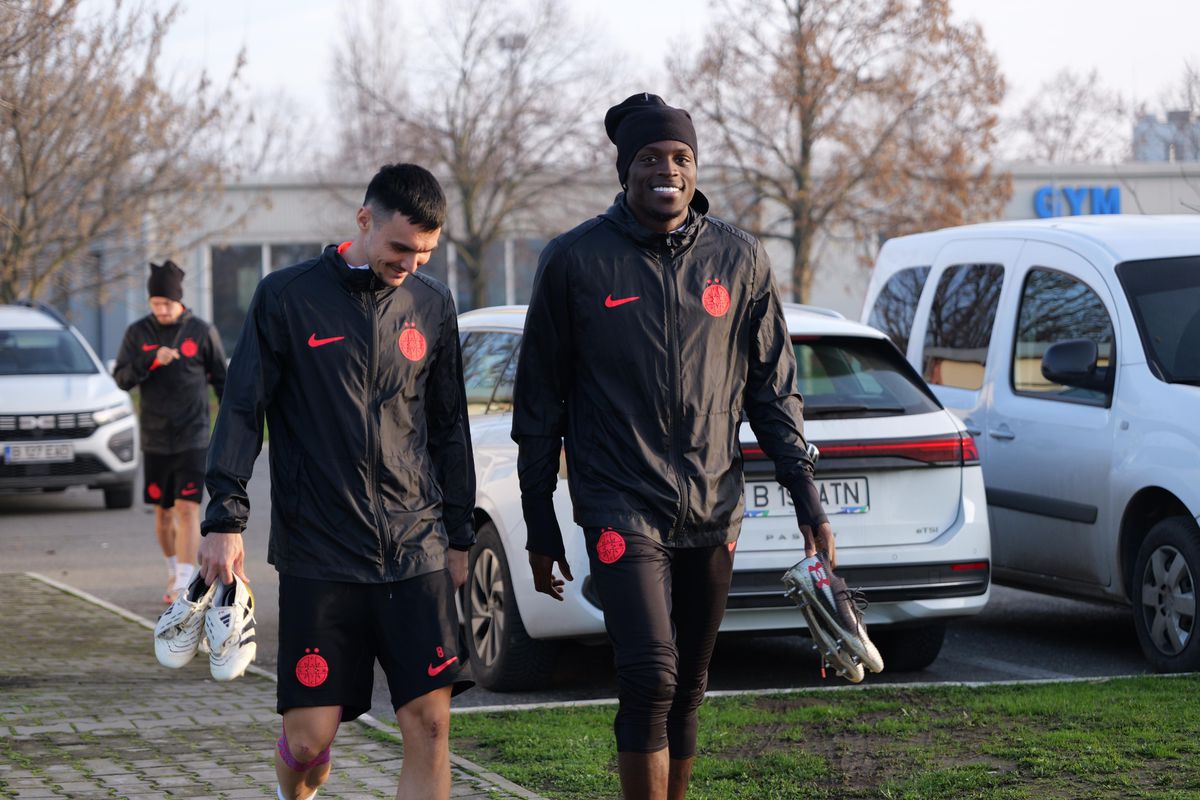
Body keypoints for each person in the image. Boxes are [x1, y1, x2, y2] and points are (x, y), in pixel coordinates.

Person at [512, 93, 836, 800]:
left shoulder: (739, 259)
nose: (668, 170)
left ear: (696, 169)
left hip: (715, 506)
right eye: (651, 158)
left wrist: (806, 497)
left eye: (681, 158)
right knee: (651, 673)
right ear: (625, 170)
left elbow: (774, 393)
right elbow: (538, 404)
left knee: (689, 680)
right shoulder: (575, 261)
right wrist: (540, 521)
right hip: (619, 503)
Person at [198, 163, 476, 800]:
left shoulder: (432, 305)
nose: (410, 262)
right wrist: (224, 518)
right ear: (363, 221)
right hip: (320, 553)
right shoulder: (286, 298)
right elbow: (243, 410)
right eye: (399, 246)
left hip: (416, 549)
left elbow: (448, 426)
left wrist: (458, 534)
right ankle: (295, 785)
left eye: (425, 251)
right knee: (307, 744)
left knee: (432, 726)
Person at [114, 260, 227, 604]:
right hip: (155, 436)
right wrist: (150, 361)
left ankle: (181, 581)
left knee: (188, 509)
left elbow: (222, 380)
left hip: (193, 435)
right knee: (164, 514)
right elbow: (121, 379)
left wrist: (231, 426)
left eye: (166, 303)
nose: (160, 310)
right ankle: (172, 568)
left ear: (179, 300)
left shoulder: (202, 331)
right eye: (155, 304)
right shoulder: (138, 333)